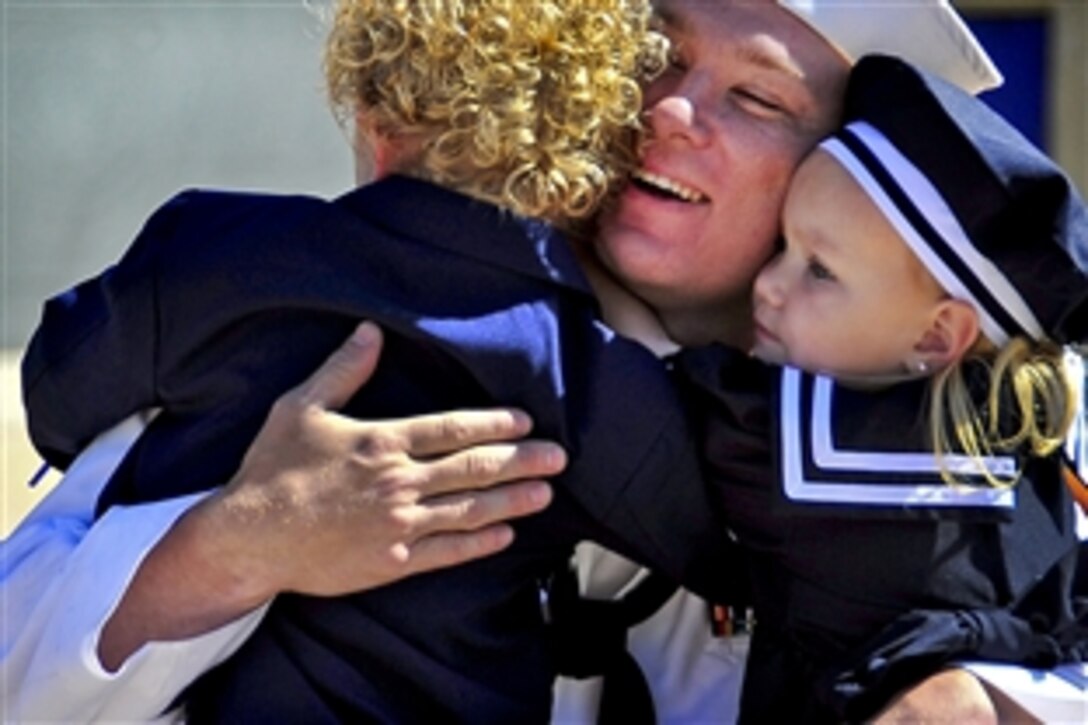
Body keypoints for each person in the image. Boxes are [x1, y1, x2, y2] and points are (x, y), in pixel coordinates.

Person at [5, 0, 1056, 721]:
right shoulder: (325, 349)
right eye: (653, 57)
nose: (669, 113)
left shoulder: (970, 425)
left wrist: (989, 694)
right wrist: (231, 546)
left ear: (838, 175)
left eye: (758, 99)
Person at [674, 53, 1088, 723]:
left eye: (820, 271)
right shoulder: (1037, 442)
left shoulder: (811, 441)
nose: (769, 284)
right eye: (780, 245)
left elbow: (598, 408)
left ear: (934, 338)